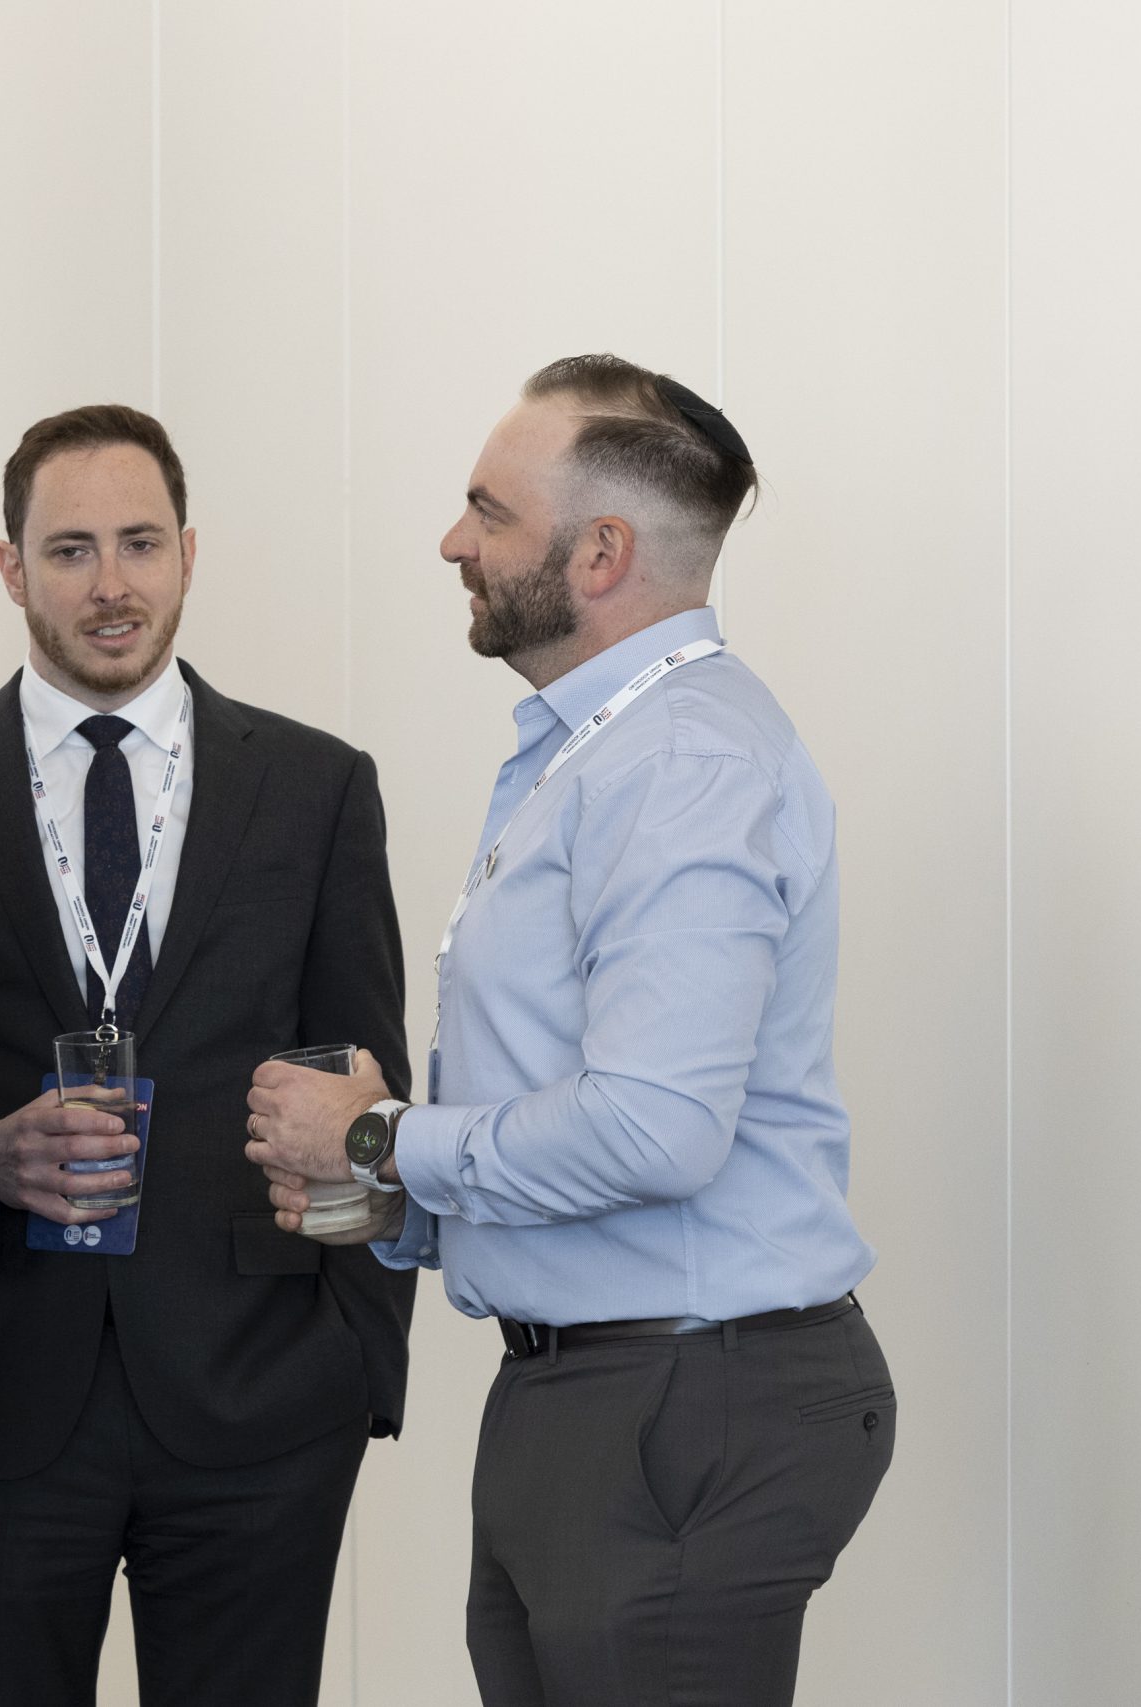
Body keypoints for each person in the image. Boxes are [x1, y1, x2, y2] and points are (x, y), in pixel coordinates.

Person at [247, 355, 894, 1705]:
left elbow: (655, 1130)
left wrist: (378, 1136)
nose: (452, 541)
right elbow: (585, 1101)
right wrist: (402, 1198)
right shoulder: (606, 748)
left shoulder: (678, 763)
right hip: (606, 1394)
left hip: (677, 1404)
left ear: (600, 553)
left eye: (488, 511)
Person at [0, 406, 415, 1704]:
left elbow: (369, 1080)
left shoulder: (314, 785)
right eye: (69, 550)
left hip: (262, 1402)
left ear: (188, 552)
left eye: (140, 543)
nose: (111, 585)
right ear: (11, 568)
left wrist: (358, 1367)